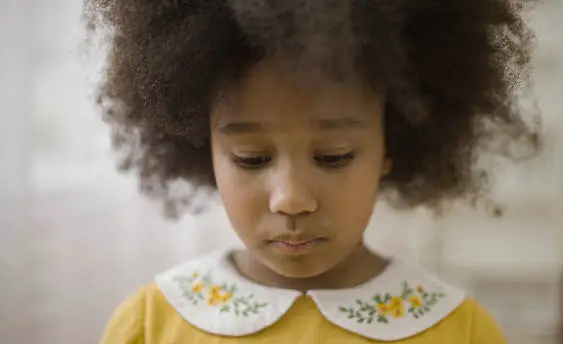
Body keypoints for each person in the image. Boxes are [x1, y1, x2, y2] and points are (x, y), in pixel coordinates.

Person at [85, 0, 539, 342]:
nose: (291, 198)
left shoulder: (460, 332)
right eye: (250, 158)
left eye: (334, 156)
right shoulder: (149, 326)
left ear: (391, 144)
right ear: (203, 150)